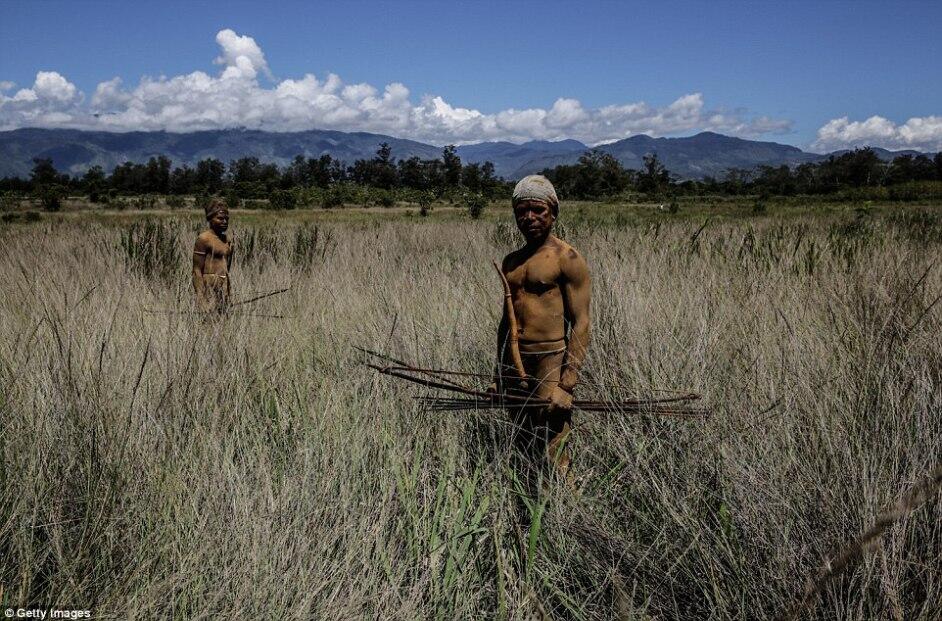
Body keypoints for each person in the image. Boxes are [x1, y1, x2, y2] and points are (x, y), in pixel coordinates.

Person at [492, 175, 591, 483]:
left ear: (553, 213)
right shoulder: (512, 261)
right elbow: (505, 323)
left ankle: (567, 509)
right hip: (515, 361)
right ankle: (526, 494)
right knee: (520, 433)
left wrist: (567, 384)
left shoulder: (567, 259)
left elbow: (582, 322)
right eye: (522, 211)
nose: (529, 218)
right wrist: (498, 374)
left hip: (550, 358)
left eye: (538, 210)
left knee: (553, 438)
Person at [192, 199, 234, 313]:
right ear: (210, 219)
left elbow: (227, 269)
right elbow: (196, 270)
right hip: (208, 288)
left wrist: (228, 293)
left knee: (223, 324)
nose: (224, 222)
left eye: (227, 219)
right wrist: (201, 299)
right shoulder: (204, 239)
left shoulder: (228, 240)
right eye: (220, 219)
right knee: (208, 325)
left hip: (223, 289)